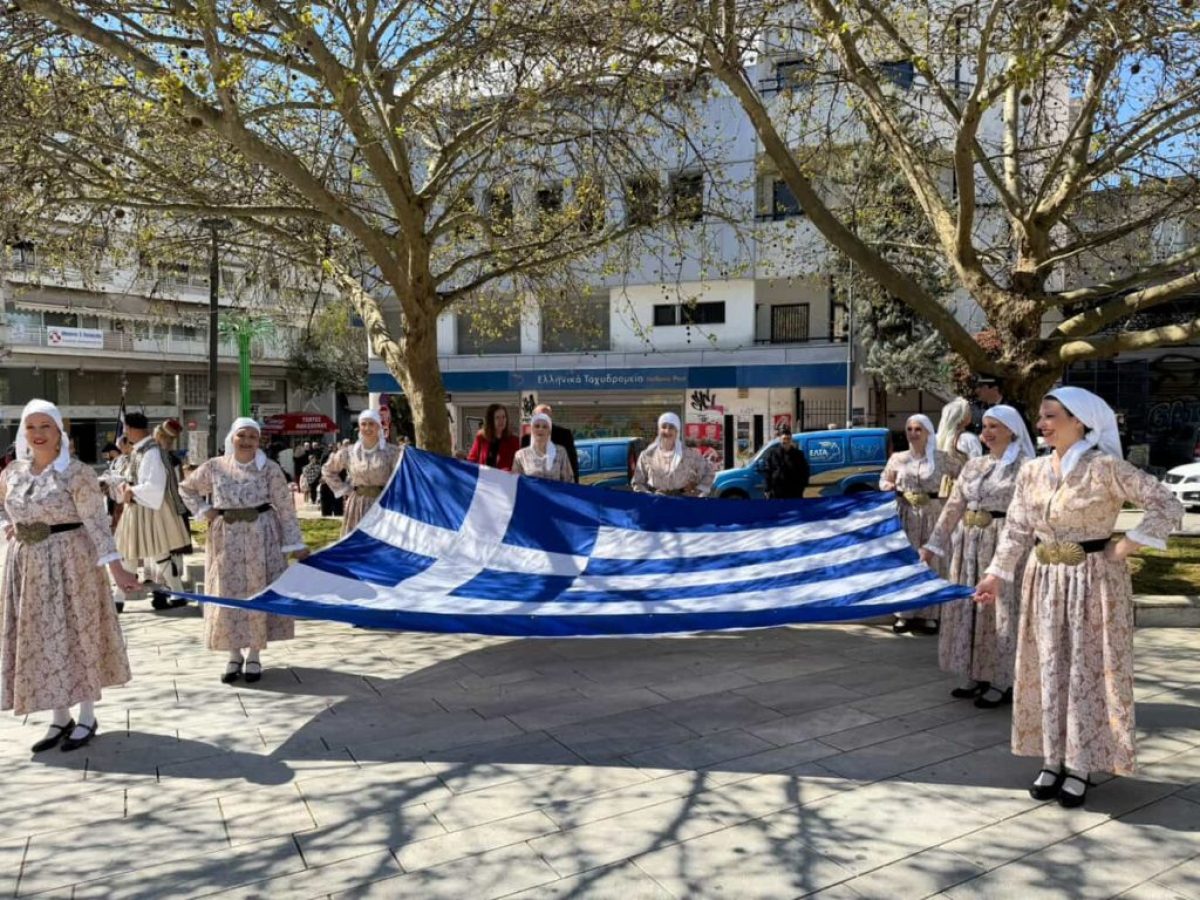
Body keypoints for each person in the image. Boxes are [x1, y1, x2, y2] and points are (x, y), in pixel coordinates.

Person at [974, 387, 1183, 808]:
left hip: (1093, 584)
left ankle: (1082, 762)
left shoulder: (1105, 468)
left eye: (1051, 416)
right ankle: (1053, 758)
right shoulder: (1032, 471)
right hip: (1043, 580)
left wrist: (1129, 544)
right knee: (1047, 668)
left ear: (1080, 421)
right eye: (1040, 417)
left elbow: (1166, 503)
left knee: (1085, 671)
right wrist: (995, 574)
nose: (1042, 424)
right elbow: (1016, 529)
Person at [1, 399, 140, 752]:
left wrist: (116, 568)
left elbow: (96, 522)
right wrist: (16, 528)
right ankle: (59, 718)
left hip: (70, 564)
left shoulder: (76, 473)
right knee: (43, 640)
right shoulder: (12, 472)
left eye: (45, 426)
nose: (37, 434)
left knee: (76, 633)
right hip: (27, 568)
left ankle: (88, 715)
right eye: (31, 427)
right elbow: (9, 509)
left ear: (59, 431)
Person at [920, 406, 1035, 708]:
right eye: (984, 425)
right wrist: (932, 547)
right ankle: (976, 673)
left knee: (1001, 611)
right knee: (970, 610)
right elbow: (954, 506)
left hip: (1004, 543)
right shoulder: (974, 465)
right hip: (969, 545)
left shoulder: (1025, 467)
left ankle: (1003, 678)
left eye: (995, 426)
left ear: (1012, 429)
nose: (987, 432)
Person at [179, 418, 310, 684]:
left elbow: (285, 508)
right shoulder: (215, 467)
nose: (247, 441)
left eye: (253, 436)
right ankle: (233, 653)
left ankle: (254, 654)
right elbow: (187, 488)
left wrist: (294, 543)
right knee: (227, 590)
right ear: (232, 437)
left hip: (261, 536)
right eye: (242, 435)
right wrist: (205, 511)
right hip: (225, 538)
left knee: (256, 590)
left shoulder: (269, 469)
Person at [879, 414, 962, 635]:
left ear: (927, 432)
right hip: (905, 514)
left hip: (933, 515)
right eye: (910, 429)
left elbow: (964, 476)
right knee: (906, 563)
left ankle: (930, 615)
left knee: (931, 563)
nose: (913, 433)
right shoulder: (898, 458)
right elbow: (884, 479)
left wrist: (954, 495)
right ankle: (903, 614)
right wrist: (887, 484)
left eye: (918, 429)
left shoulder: (943, 459)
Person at [115, 412, 193, 610]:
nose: (124, 433)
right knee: (152, 553)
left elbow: (155, 486)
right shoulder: (141, 450)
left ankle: (118, 600)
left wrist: (130, 490)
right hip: (141, 507)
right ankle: (177, 594)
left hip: (148, 508)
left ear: (131, 429)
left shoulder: (151, 452)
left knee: (137, 553)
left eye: (125, 428)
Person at [322, 410, 403, 534]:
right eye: (363, 424)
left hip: (383, 504)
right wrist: (345, 490)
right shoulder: (349, 452)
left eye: (371, 424)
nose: (367, 428)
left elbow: (402, 478)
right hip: (357, 505)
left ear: (378, 426)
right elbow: (327, 469)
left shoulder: (392, 452)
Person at [632, 412, 714, 497]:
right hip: (656, 503)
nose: (667, 431)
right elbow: (637, 482)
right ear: (659, 430)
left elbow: (709, 472)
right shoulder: (647, 455)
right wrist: (649, 497)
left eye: (671, 427)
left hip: (682, 502)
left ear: (677, 431)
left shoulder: (689, 454)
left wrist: (697, 490)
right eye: (663, 427)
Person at [519, 404, 579, 483]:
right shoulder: (526, 439)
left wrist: (575, 486)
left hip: (558, 486)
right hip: (535, 486)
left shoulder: (564, 435)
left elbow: (572, 462)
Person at [761, 422, 810, 499]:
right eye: (784, 439)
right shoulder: (772, 454)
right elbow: (767, 472)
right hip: (777, 493)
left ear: (791, 440)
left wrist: (802, 487)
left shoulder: (798, 455)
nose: (786, 441)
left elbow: (805, 471)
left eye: (788, 439)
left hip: (794, 493)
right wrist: (767, 489)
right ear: (780, 439)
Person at [467, 403, 519, 471]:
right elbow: (471, 460)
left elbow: (519, 465)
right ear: (490, 420)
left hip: (504, 480)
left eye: (504, 417)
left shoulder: (514, 441)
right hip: (484, 479)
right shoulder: (481, 438)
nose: (502, 420)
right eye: (497, 417)